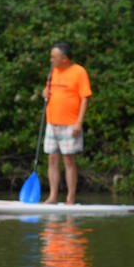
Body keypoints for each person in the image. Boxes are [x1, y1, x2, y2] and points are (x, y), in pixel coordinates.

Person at [41, 41, 92, 205]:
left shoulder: (79, 72)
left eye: (53, 57)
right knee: (52, 158)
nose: (51, 60)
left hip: (70, 124)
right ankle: (53, 196)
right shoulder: (53, 71)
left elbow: (85, 98)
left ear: (65, 59)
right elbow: (49, 93)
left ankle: (70, 198)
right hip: (52, 122)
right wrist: (45, 93)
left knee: (69, 160)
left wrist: (79, 123)